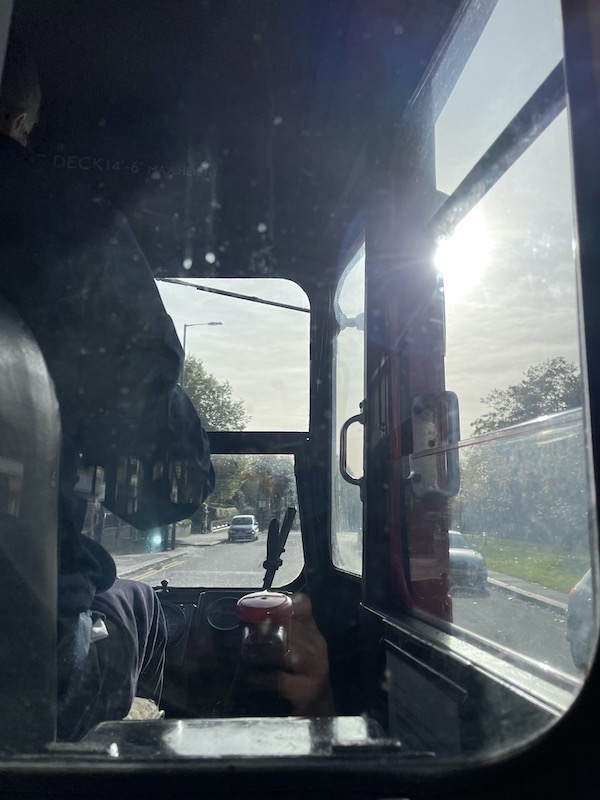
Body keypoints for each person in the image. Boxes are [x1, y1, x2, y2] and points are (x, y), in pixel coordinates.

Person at [0, 36, 333, 739]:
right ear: (20, 122)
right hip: (27, 665)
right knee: (143, 608)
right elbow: (167, 489)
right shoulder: (68, 227)